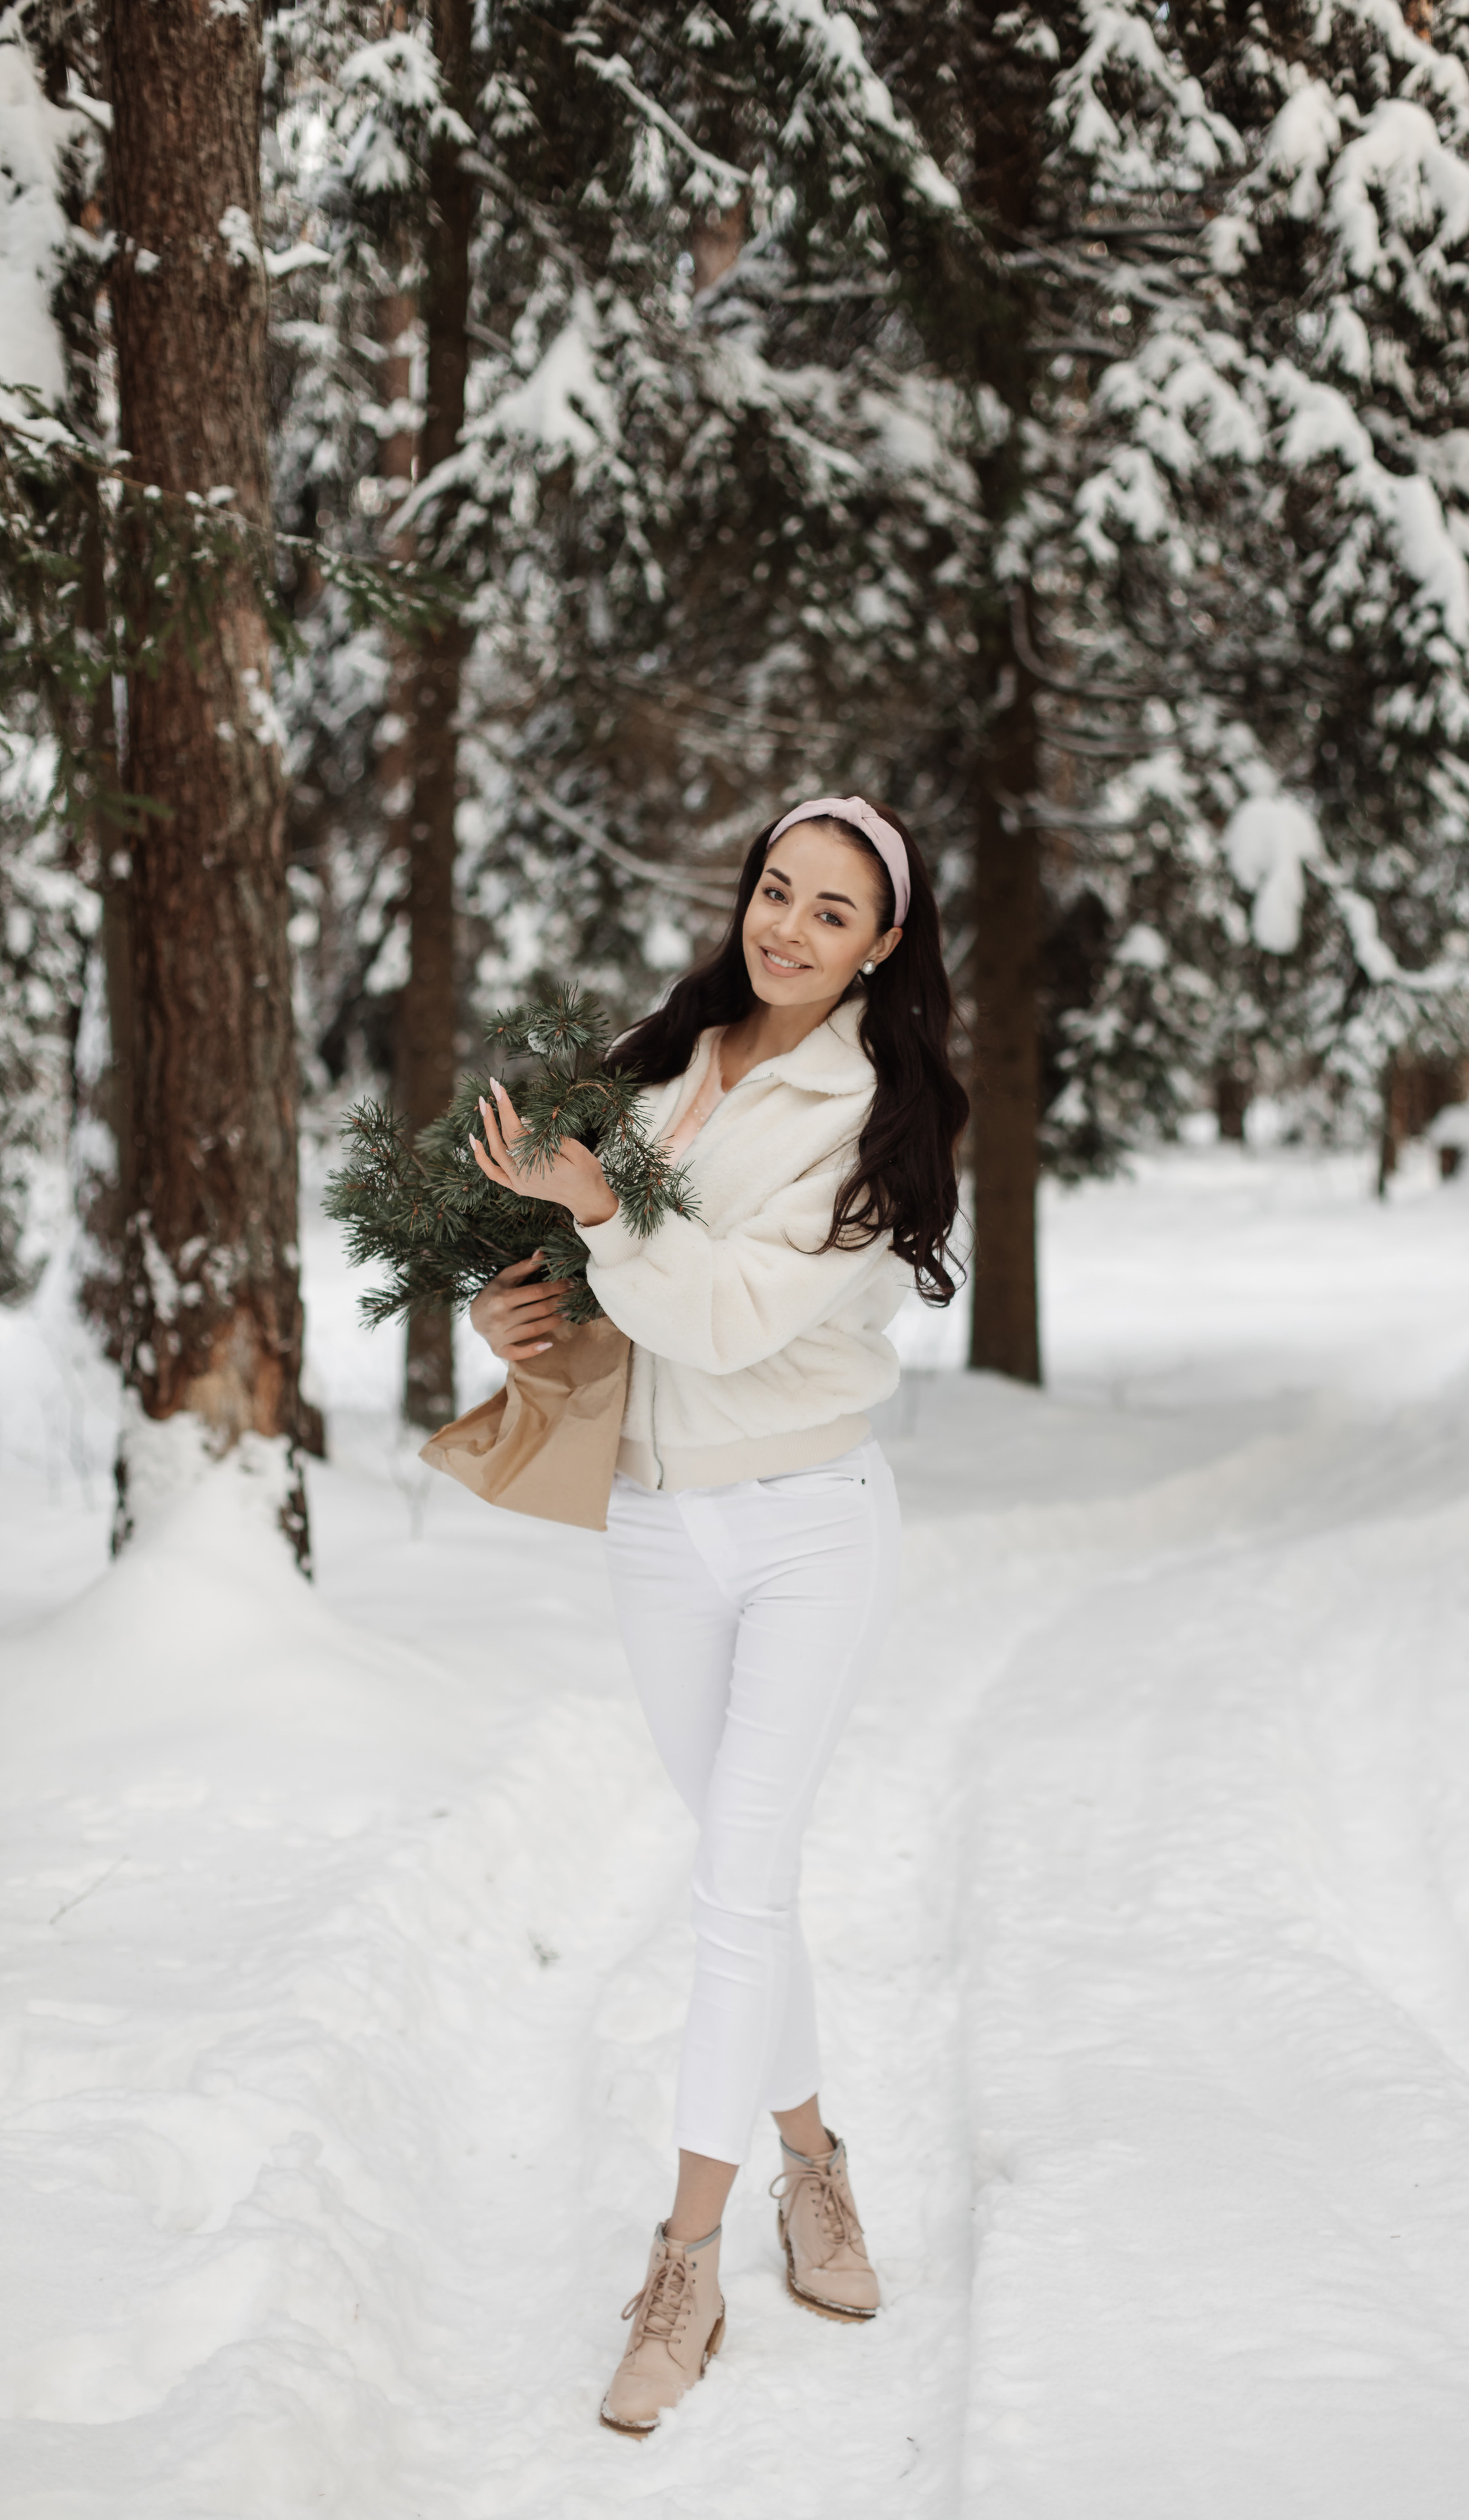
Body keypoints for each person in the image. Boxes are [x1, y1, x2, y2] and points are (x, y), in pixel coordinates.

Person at [466, 797, 968, 2435]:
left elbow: (739, 1319)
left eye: (833, 912)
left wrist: (605, 1216)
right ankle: (815, 2159)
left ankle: (684, 2266)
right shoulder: (657, 1069)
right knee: (745, 1886)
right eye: (775, 891)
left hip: (809, 1522)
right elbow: (592, 1291)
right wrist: (515, 1295)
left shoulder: (873, 1115)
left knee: (734, 1887)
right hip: (654, 1527)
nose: (790, 928)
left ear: (880, 945)